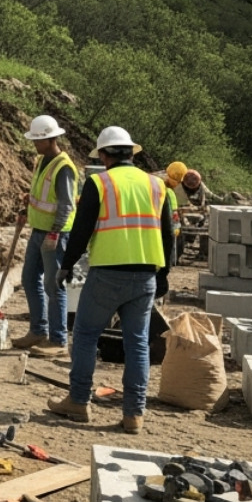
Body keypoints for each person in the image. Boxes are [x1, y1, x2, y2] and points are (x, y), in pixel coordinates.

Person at [47, 126, 175, 436]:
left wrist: (65, 266)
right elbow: (168, 234)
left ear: (104, 155)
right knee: (137, 344)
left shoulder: (99, 183)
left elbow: (81, 231)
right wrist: (164, 274)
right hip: (145, 274)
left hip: (107, 273)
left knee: (87, 335)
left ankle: (78, 401)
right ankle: (134, 414)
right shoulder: (157, 186)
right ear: (132, 153)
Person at [13, 115, 79, 352]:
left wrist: (55, 233)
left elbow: (66, 204)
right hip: (38, 229)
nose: (34, 144)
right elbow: (39, 195)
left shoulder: (64, 167)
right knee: (29, 279)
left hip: (55, 234)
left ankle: (58, 338)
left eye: (38, 141)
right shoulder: (41, 161)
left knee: (54, 286)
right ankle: (38, 331)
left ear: (51, 140)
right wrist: (26, 207)